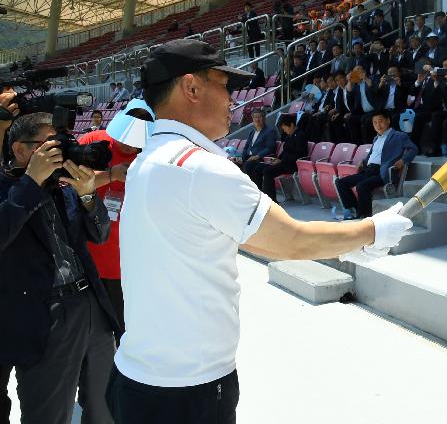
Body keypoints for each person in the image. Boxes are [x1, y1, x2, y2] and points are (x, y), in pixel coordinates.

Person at [108, 40, 412, 422]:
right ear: (192, 88)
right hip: (185, 391)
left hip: (139, 377)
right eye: (225, 86)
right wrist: (373, 230)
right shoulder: (199, 167)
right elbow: (289, 240)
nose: (233, 100)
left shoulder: (148, 160)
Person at [0, 111, 118, 424]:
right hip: (46, 314)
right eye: (47, 145)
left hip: (91, 303)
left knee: (105, 403)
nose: (57, 151)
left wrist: (89, 195)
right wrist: (29, 184)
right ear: (21, 151)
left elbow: (99, 234)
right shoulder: (7, 189)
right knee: (49, 412)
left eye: (58, 143)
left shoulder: (63, 186)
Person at [79, 99, 155, 340]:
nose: (128, 145)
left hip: (126, 266)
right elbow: (67, 185)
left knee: (123, 335)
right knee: (85, 336)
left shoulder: (152, 158)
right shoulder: (93, 142)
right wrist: (111, 175)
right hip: (85, 258)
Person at [335, 110, 417, 219]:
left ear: (388, 121)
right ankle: (355, 210)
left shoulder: (399, 136)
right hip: (368, 170)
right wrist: (363, 162)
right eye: (375, 122)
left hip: (381, 172)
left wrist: (403, 160)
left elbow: (413, 149)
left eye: (381, 121)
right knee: (340, 183)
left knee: (361, 186)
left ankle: (364, 215)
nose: (378, 125)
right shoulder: (376, 138)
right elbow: (372, 154)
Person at [246, 113, 308, 203]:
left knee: (268, 171)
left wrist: (281, 160)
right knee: (258, 168)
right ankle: (259, 195)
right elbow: (285, 151)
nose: (283, 129)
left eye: (284, 127)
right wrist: (277, 159)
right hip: (283, 162)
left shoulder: (300, 136)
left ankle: (271, 200)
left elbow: (299, 155)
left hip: (292, 165)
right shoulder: (289, 136)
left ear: (291, 125)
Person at [241, 109, 277, 179]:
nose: (257, 119)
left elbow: (269, 148)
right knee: (234, 163)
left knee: (248, 164)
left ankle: (249, 187)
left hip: (260, 158)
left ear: (264, 118)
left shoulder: (270, 131)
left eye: (259, 117)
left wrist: (257, 156)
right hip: (249, 157)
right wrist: (242, 157)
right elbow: (246, 146)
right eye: (255, 117)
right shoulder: (252, 132)